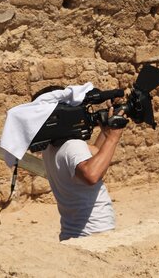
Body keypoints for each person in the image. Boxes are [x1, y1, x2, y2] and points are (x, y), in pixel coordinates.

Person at [38, 87, 125, 241]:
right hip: (95, 232)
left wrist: (106, 132)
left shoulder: (50, 146)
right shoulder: (72, 145)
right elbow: (92, 175)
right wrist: (113, 138)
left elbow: (96, 153)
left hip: (71, 232)